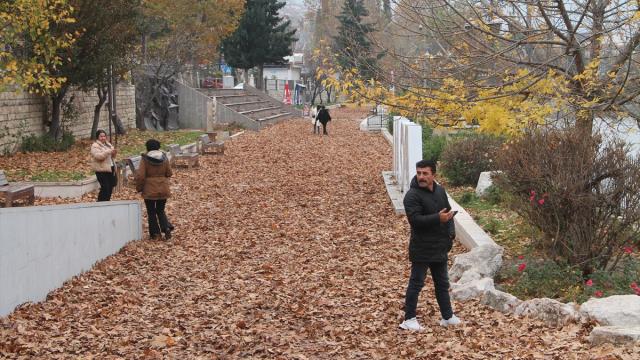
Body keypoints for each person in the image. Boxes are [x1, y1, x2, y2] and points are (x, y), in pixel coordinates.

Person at [399, 159, 460, 331]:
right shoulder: (412, 195)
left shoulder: (440, 191)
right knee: (416, 283)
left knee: (442, 283)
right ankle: (409, 319)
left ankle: (447, 316)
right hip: (422, 247)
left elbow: (448, 213)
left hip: (440, 246)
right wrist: (436, 218)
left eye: (425, 173)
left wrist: (450, 235)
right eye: (419, 173)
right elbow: (415, 220)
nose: (421, 177)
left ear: (434, 174)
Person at [135, 139, 173, 241]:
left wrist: (139, 188)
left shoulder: (145, 159)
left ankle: (155, 233)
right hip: (163, 188)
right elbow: (169, 172)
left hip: (149, 189)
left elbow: (141, 176)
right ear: (158, 147)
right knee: (160, 210)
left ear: (147, 147)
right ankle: (166, 228)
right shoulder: (164, 157)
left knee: (151, 211)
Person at [90, 129, 117, 202]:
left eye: (104, 136)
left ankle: (106, 202)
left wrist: (114, 153)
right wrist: (108, 151)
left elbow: (112, 157)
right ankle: (100, 203)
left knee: (110, 187)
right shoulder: (95, 146)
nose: (103, 138)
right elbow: (99, 156)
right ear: (97, 137)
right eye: (101, 136)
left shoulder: (108, 144)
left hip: (110, 168)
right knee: (105, 187)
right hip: (101, 170)